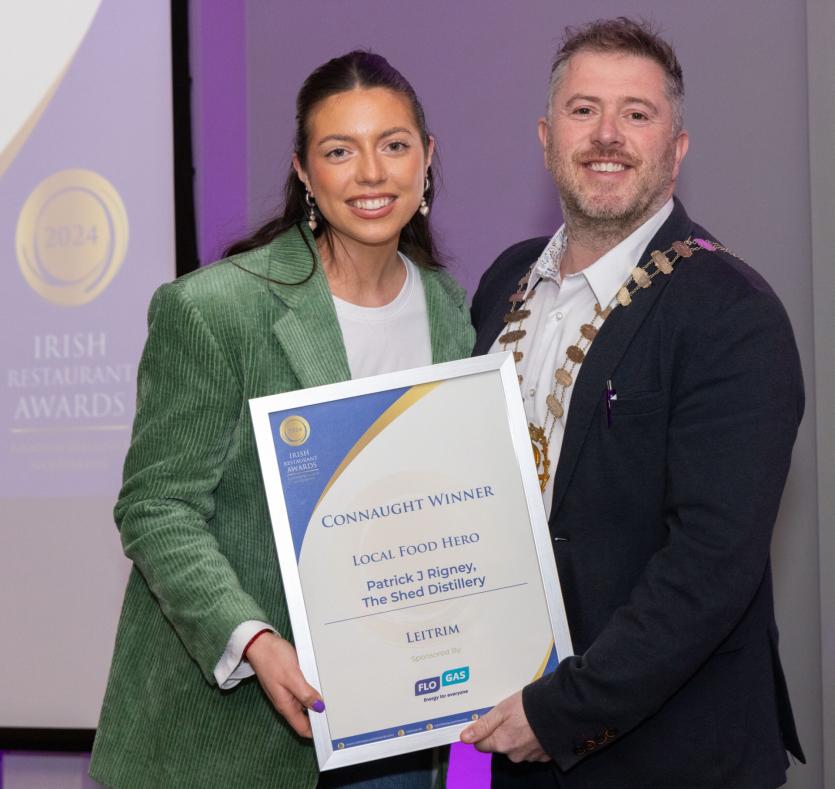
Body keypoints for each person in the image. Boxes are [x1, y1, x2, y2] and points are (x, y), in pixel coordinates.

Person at [89, 51, 474, 789]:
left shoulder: (446, 306)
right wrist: (255, 642)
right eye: (340, 151)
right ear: (304, 170)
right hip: (229, 737)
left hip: (395, 722)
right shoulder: (214, 310)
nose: (371, 173)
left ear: (427, 158)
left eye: (393, 145)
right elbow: (156, 507)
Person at [460, 17, 805, 789]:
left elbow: (708, 566)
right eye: (583, 110)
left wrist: (561, 712)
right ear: (546, 138)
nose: (606, 134)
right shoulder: (504, 281)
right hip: (508, 742)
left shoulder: (731, 313)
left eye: (635, 113)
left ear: (675, 149)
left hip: (668, 756)